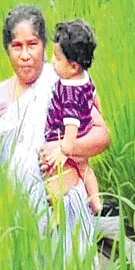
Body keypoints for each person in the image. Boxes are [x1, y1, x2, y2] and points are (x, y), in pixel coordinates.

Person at [0, 5, 110, 263]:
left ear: (44, 45)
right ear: (7, 48)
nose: (25, 55)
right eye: (17, 46)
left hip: (64, 208)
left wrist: (64, 148)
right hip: (18, 218)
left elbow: (102, 136)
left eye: (33, 44)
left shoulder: (63, 81)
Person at [44, 19, 102, 216]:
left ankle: (58, 210)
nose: (52, 60)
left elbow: (70, 125)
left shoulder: (69, 93)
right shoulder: (84, 78)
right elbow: (94, 97)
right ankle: (96, 204)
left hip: (64, 137)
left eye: (57, 58)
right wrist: (97, 115)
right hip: (85, 130)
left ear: (73, 66)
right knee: (85, 168)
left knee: (58, 172)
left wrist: (64, 150)